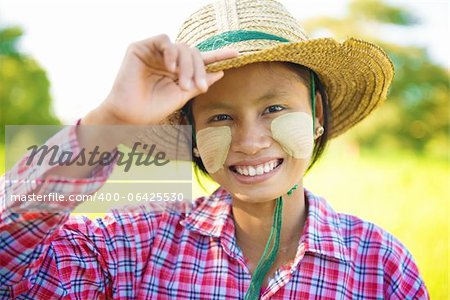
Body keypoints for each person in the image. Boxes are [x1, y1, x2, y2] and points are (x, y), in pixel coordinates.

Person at [0, 0, 429, 299]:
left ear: (316, 113)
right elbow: (9, 264)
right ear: (191, 133)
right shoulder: (136, 246)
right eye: (219, 118)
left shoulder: (380, 265)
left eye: (274, 108)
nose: (249, 141)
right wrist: (112, 120)